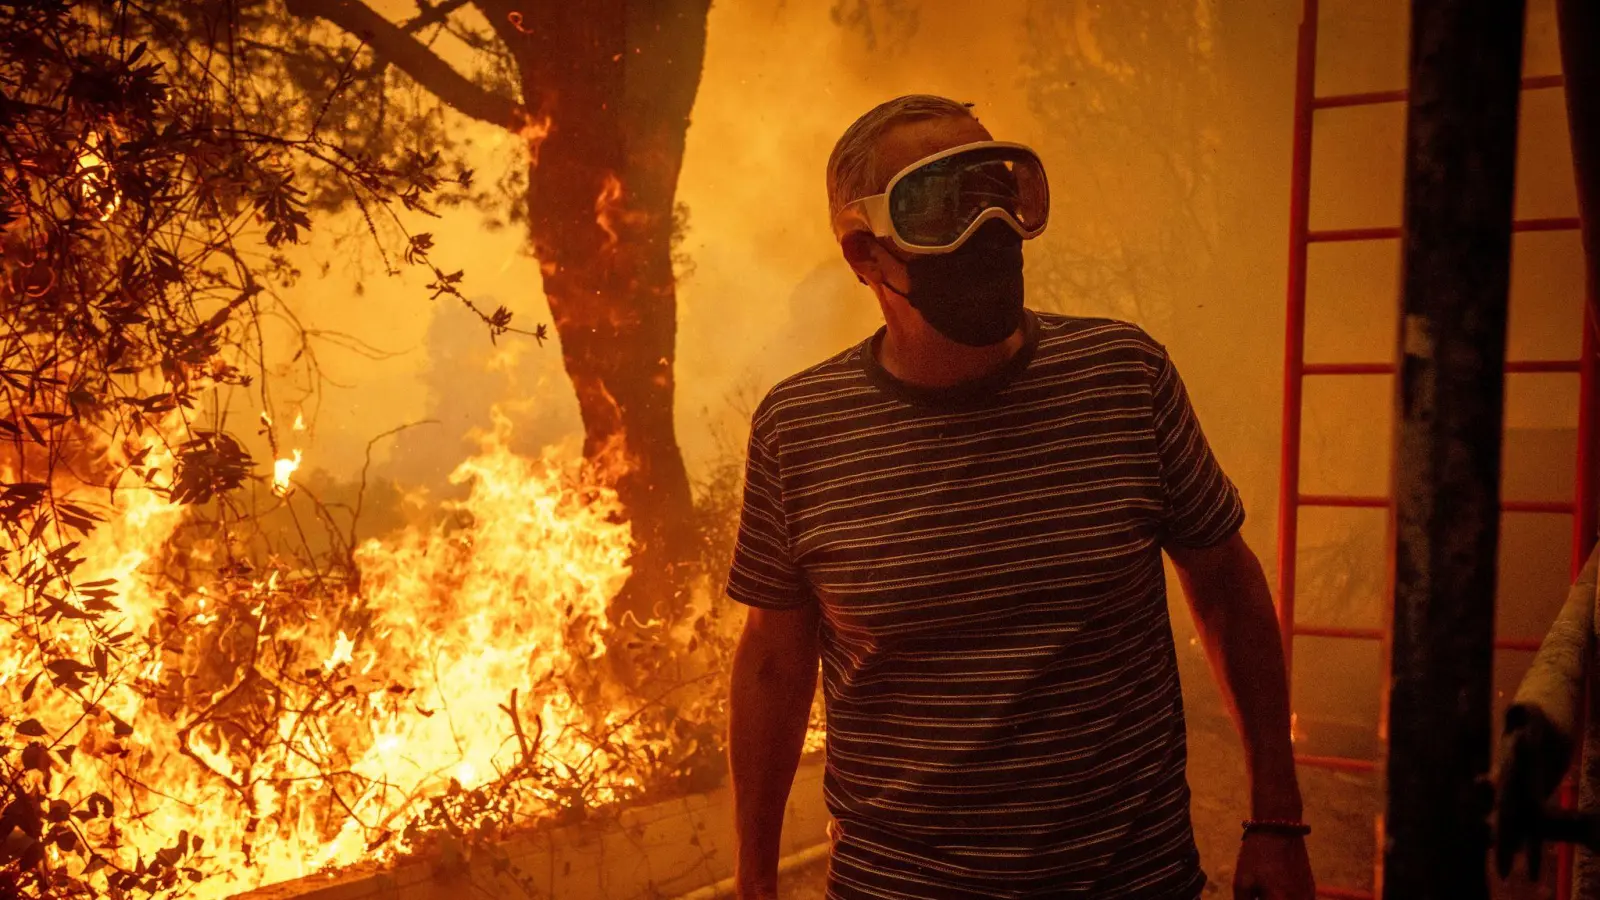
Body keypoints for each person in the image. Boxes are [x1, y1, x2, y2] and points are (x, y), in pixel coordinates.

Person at [726, 94, 1316, 900]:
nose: (988, 228)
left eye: (998, 190)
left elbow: (1227, 587)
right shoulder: (802, 429)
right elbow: (772, 660)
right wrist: (755, 876)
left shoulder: (1122, 376)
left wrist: (1277, 821)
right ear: (865, 252)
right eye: (940, 206)